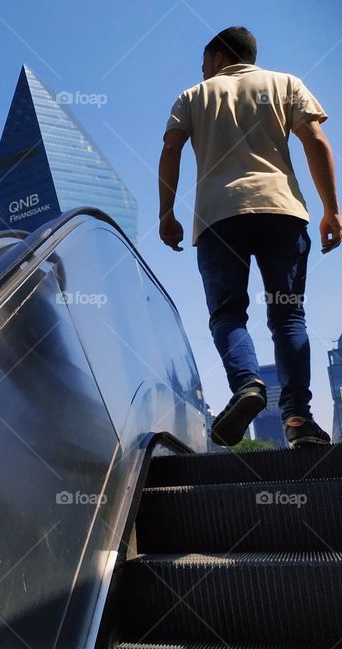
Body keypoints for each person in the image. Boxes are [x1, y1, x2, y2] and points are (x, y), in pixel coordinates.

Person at [158, 26, 340, 448]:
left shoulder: (192, 96)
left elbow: (171, 150)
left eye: (205, 63)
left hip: (220, 217)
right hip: (282, 212)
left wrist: (167, 213)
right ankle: (297, 419)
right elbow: (315, 140)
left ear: (219, 57)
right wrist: (332, 209)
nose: (203, 71)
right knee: (289, 316)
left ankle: (247, 386)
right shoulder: (286, 83)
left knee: (227, 315)